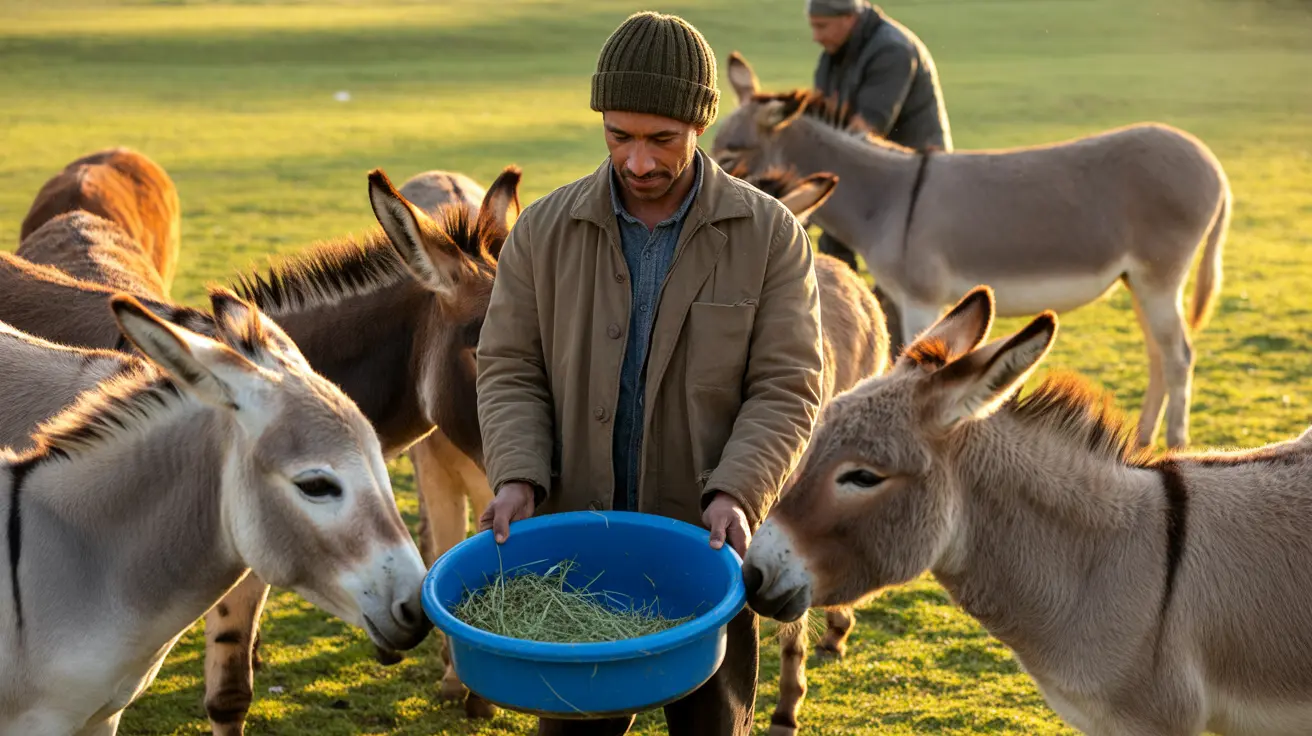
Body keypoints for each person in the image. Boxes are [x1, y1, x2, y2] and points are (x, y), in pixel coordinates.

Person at [475, 10, 826, 736]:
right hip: (576, 561)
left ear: (700, 124)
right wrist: (517, 473)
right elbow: (509, 367)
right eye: (619, 137)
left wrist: (739, 490)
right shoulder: (541, 233)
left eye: (662, 140)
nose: (638, 163)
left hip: (706, 554)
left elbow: (788, 384)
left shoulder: (771, 237)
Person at [808, 0, 953, 343]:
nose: (816, 36)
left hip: (914, 185)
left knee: (902, 274)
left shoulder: (893, 51)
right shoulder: (834, 52)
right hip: (871, 177)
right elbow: (822, 121)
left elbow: (865, 131)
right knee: (833, 238)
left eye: (822, 26)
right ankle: (844, 324)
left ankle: (891, 344)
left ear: (849, 18)